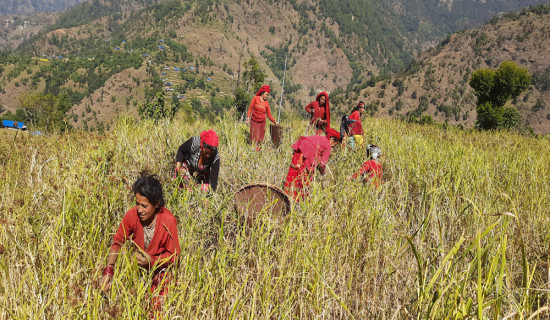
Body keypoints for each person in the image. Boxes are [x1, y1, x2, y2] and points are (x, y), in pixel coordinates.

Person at [100, 174, 181, 312]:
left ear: (156, 204)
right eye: (137, 203)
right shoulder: (132, 215)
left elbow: (175, 257)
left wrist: (153, 261)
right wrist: (109, 270)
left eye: (144, 205)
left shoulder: (168, 220)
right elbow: (117, 242)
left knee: (155, 311)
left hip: (160, 275)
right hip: (137, 272)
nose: (139, 209)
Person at [283, 129, 340, 201]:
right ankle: (297, 201)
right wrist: (323, 173)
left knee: (292, 176)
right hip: (307, 158)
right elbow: (322, 164)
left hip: (299, 151)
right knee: (304, 180)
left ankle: (285, 197)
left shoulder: (318, 137)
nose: (334, 146)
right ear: (332, 140)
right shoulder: (328, 146)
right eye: (336, 144)